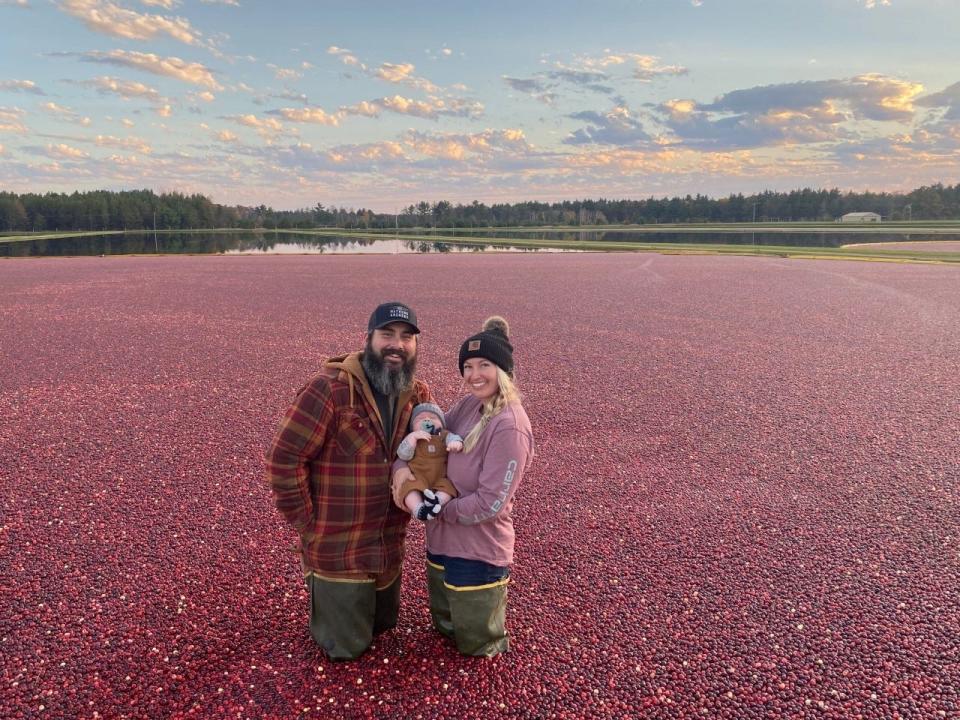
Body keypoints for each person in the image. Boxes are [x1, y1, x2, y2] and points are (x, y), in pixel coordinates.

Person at [265, 301, 432, 661]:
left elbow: (427, 457)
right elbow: (285, 457)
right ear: (368, 338)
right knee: (346, 649)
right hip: (339, 551)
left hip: (388, 547)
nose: (397, 345)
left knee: (385, 627)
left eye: (407, 338)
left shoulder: (417, 395)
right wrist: (307, 523)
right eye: (387, 334)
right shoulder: (329, 389)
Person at [392, 316, 534, 657]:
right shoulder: (469, 405)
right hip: (441, 546)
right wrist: (404, 472)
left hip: (477, 553)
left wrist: (437, 509)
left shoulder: (509, 427)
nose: (474, 375)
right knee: (444, 630)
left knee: (476, 647)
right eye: (467, 366)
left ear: (503, 369)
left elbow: (489, 504)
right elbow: (432, 445)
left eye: (485, 364)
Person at [396, 403, 463, 520]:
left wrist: (456, 443)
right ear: (412, 426)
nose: (427, 420)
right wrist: (412, 439)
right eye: (420, 418)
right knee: (407, 488)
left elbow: (455, 438)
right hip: (418, 477)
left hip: (440, 477)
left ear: (442, 424)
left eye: (433, 418)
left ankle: (436, 502)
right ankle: (419, 509)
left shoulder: (444, 435)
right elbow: (403, 455)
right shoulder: (412, 437)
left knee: (448, 488)